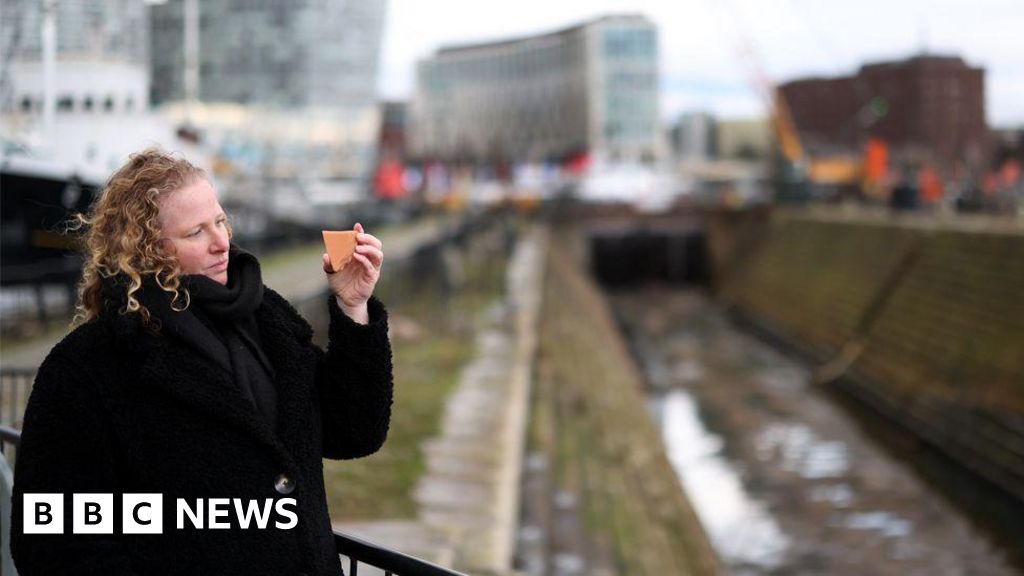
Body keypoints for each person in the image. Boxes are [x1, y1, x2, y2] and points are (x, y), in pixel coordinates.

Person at [11, 147, 393, 575]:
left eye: (220, 222)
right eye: (195, 233)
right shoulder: (87, 367)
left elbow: (355, 432)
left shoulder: (270, 319)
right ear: (146, 251)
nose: (221, 242)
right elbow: (52, 537)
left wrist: (353, 308)